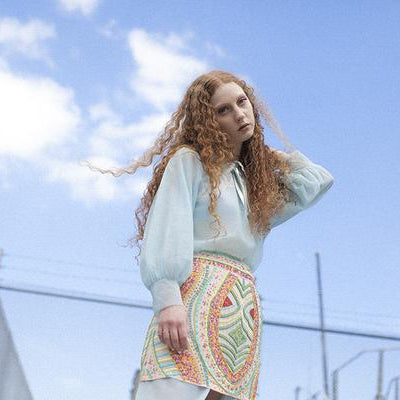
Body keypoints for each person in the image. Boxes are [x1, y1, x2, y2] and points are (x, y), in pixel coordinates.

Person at [88, 70, 334, 400]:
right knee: (172, 389)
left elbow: (316, 182)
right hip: (193, 300)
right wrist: (167, 302)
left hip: (241, 311)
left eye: (242, 103)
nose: (239, 114)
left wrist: (267, 154)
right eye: (223, 110)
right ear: (208, 120)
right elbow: (165, 229)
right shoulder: (189, 163)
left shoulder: (254, 183)